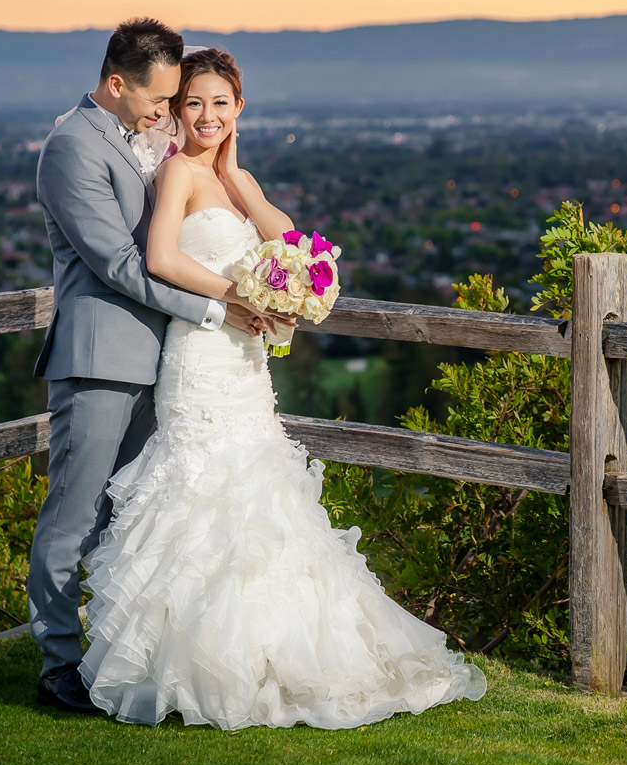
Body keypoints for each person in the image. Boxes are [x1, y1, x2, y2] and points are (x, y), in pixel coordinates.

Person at [75, 46, 486, 729]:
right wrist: (236, 293)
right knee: (200, 489)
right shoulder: (175, 172)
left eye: (220, 103)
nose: (207, 115)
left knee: (261, 498)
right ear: (176, 110)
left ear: (240, 109)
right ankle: (186, 664)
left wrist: (238, 179)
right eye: (194, 103)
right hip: (201, 353)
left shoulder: (238, 177)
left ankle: (268, 653)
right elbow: (161, 257)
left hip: (245, 363)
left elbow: (295, 245)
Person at [28, 19, 278, 715]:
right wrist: (222, 306)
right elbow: (118, 263)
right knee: (73, 518)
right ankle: (56, 664)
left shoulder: (146, 140)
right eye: (162, 100)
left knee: (131, 519)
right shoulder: (72, 147)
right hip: (103, 356)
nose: (170, 113)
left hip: (166, 363)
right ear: (117, 84)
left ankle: (116, 655)